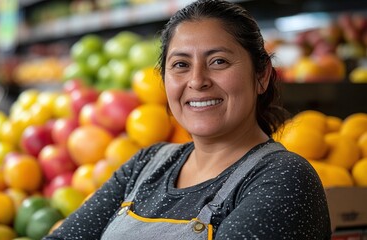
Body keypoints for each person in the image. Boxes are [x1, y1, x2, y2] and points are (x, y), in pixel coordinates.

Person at [44, 0, 332, 239]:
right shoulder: (147, 164)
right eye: (181, 65)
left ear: (262, 75)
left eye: (218, 61)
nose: (197, 81)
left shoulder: (283, 179)